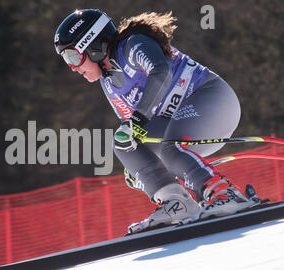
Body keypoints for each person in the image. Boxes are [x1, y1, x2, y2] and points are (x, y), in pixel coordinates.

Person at [53, 9, 258, 234]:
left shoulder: (131, 46)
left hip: (213, 101)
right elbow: (135, 131)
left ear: (93, 46)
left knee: (170, 147)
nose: (73, 67)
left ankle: (225, 194)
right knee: (124, 143)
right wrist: (139, 168)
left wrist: (138, 120)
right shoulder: (109, 83)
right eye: (66, 61)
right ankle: (177, 204)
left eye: (72, 57)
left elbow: (160, 72)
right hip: (182, 123)